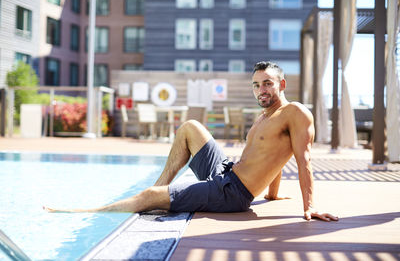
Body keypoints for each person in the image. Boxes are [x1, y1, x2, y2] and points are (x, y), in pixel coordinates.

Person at [44, 61, 338, 222]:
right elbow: (276, 156)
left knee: (147, 196)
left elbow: (303, 159)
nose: (261, 89)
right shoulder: (265, 116)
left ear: (281, 84)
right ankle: (162, 189)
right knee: (189, 127)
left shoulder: (295, 113)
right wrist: (272, 194)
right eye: (256, 84)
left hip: (231, 193)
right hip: (227, 172)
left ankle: (87, 212)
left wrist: (308, 207)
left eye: (267, 83)